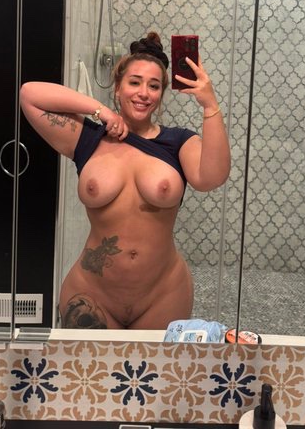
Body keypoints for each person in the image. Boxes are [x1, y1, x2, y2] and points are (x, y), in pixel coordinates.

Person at [20, 32, 231, 330]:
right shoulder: (87, 138)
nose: (144, 93)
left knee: (154, 364)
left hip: (163, 294)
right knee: (89, 363)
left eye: (154, 86)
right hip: (92, 294)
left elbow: (212, 177)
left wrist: (210, 105)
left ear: (161, 95)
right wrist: (101, 111)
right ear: (118, 87)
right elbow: (29, 94)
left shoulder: (178, 142)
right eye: (134, 82)